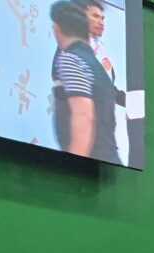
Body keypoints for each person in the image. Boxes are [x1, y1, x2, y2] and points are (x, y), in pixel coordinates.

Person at [49, 1, 120, 163]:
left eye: (102, 18)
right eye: (95, 16)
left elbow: (84, 116)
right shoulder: (69, 55)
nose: (100, 22)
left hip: (97, 154)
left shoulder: (83, 56)